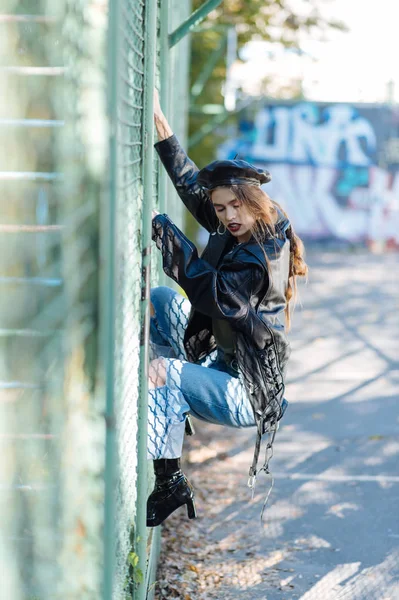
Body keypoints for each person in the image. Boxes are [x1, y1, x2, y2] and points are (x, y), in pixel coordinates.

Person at [146, 90, 308, 528]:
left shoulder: (260, 259)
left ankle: (170, 481)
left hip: (245, 394)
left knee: (160, 374)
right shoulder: (244, 229)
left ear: (253, 202)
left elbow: (212, 292)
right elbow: (192, 188)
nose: (227, 216)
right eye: (221, 209)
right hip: (221, 363)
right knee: (161, 301)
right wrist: (161, 123)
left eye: (236, 205)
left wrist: (162, 229)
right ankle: (174, 404)